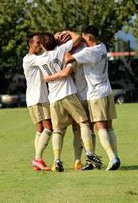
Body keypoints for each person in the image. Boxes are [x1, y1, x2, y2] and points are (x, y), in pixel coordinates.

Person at [32, 31, 103, 172]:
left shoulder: (39, 60)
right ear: (54, 41)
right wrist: (65, 35)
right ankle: (89, 154)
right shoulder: (62, 50)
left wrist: (50, 78)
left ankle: (57, 160)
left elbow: (46, 77)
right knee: (83, 123)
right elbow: (77, 38)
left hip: (54, 99)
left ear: (43, 46)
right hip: (68, 93)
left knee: (58, 130)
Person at [64, 26, 121, 171]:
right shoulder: (102, 47)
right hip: (107, 91)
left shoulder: (89, 52)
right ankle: (110, 157)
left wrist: (68, 43)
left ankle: (112, 158)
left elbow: (68, 59)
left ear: (88, 37)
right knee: (109, 126)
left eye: (83, 38)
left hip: (96, 94)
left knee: (99, 127)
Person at [23, 33, 53, 171]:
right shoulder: (30, 59)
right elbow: (47, 58)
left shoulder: (36, 59)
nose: (40, 45)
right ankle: (38, 159)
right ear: (30, 44)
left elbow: (47, 68)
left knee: (40, 130)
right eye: (37, 42)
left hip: (39, 98)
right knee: (49, 127)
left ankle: (38, 161)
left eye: (41, 42)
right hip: (37, 99)